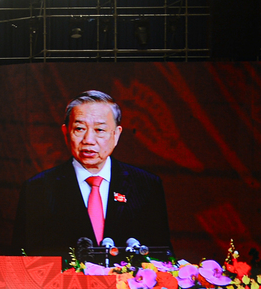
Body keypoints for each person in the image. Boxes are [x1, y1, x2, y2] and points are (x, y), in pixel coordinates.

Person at [11, 90, 171, 257]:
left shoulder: (146, 185)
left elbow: (163, 258)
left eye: (99, 130)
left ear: (116, 134)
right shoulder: (37, 189)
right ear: (66, 133)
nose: (88, 140)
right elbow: (22, 259)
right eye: (79, 129)